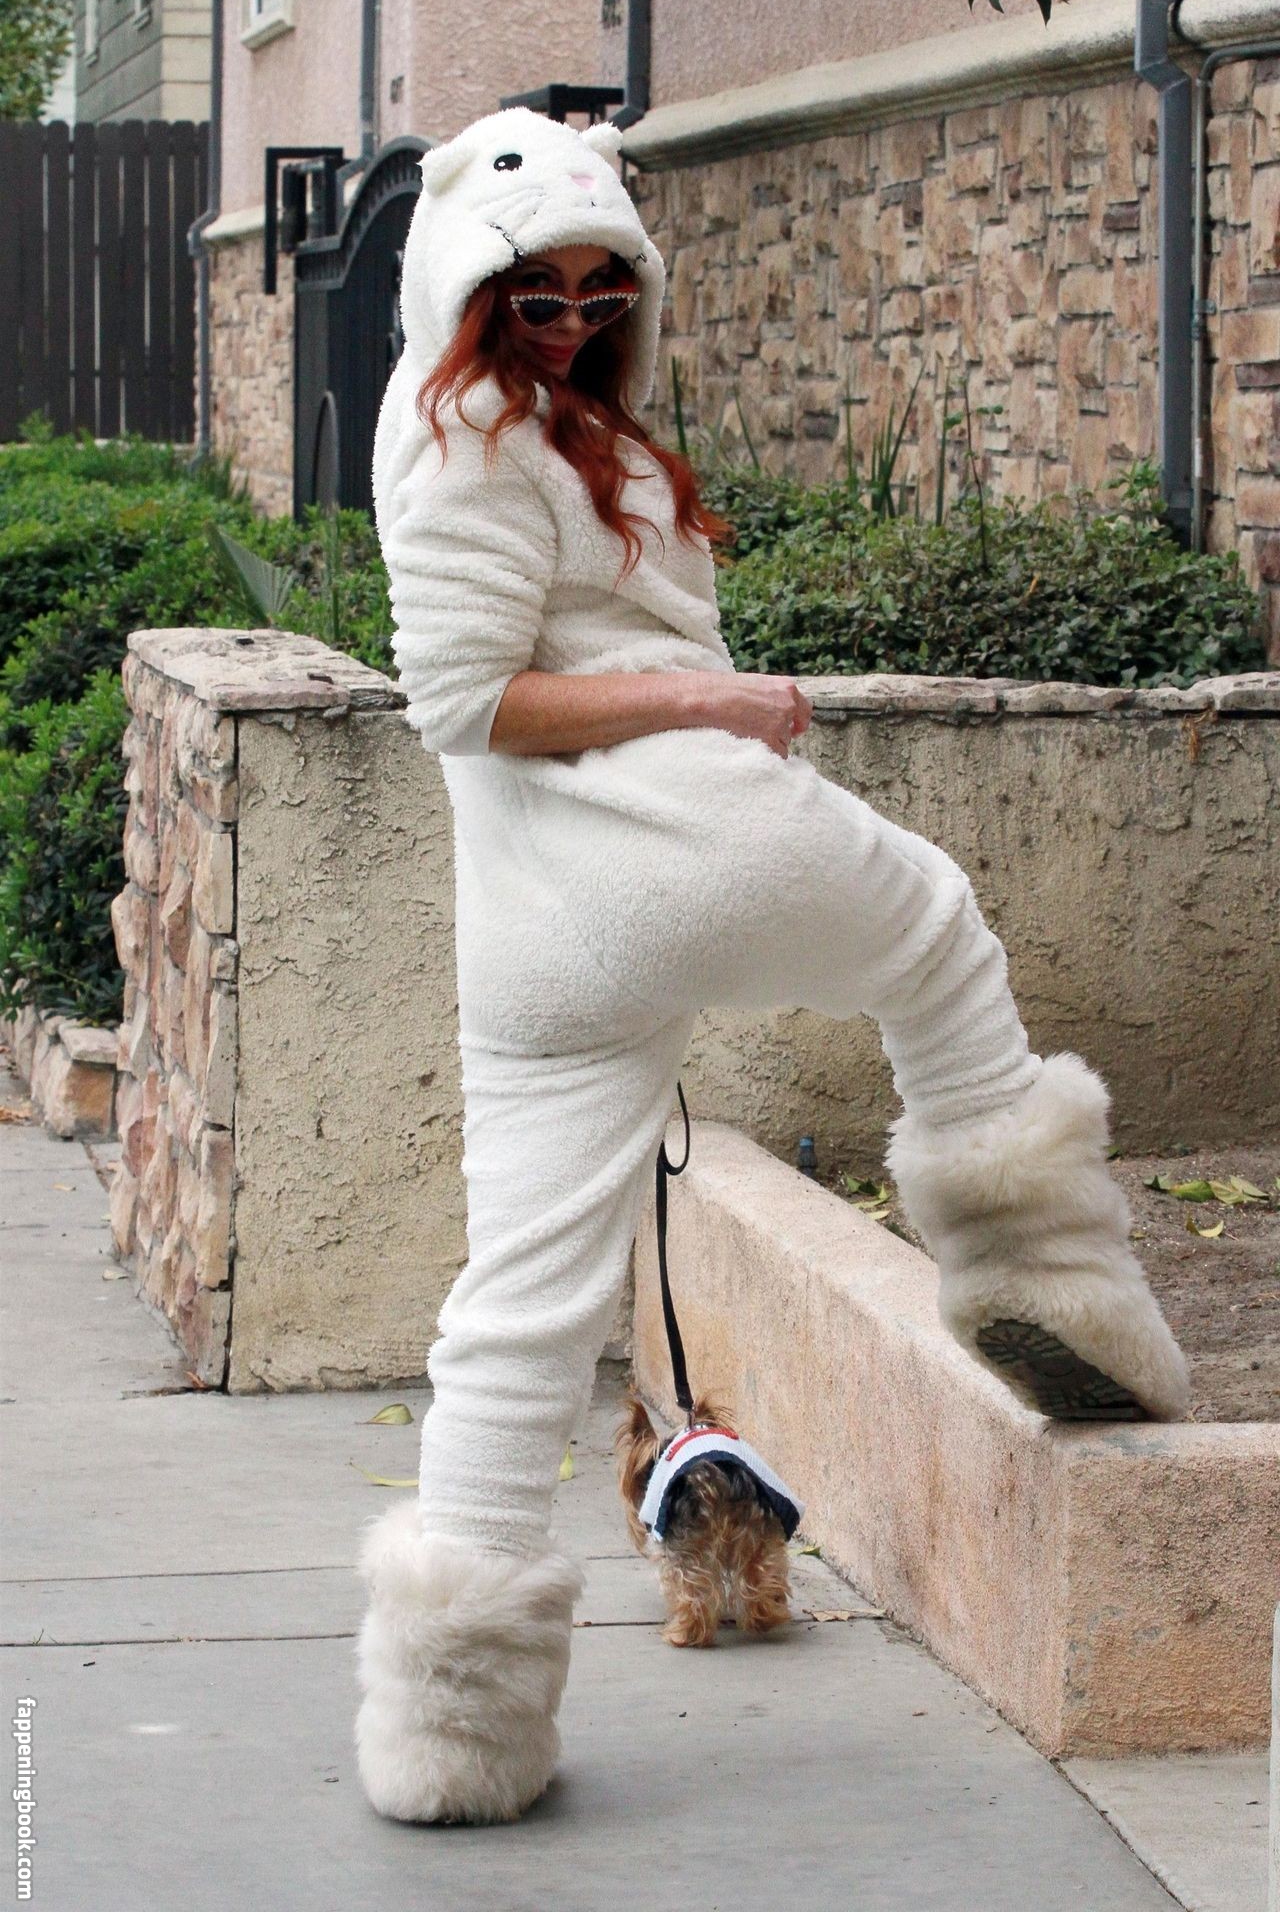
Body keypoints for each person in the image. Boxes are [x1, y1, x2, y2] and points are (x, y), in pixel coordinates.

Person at [353, 106, 1190, 1828]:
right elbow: (465, 700)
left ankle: (450, 1740)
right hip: (670, 832)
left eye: (601, 288)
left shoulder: (503, 416)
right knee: (937, 934)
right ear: (462, 284)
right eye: (534, 294)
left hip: (535, 937)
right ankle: (1046, 1284)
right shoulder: (465, 432)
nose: (571, 319)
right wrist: (712, 698)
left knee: (515, 1314)